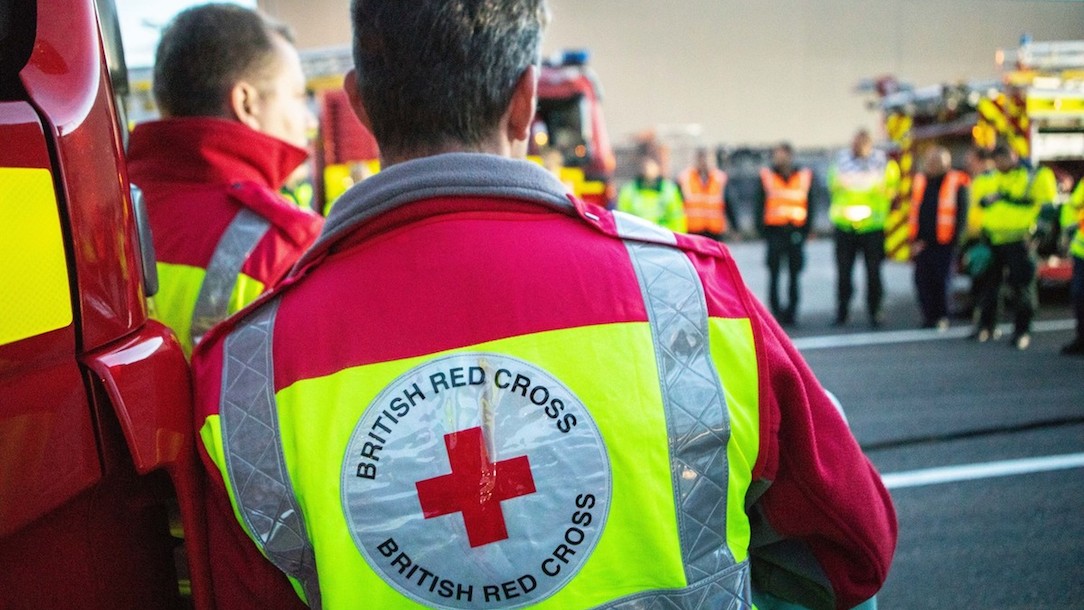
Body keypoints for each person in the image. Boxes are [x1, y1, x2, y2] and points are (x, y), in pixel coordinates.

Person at [191, 1, 896, 608]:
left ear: (362, 105)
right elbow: (852, 552)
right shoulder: (691, 295)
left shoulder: (246, 366)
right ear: (527, 98)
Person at [126, 3, 323, 355]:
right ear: (246, 103)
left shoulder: (95, 218)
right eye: (297, 96)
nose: (310, 121)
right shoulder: (287, 247)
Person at [974, 144, 1057, 349]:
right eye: (998, 159)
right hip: (993, 240)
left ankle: (1022, 331)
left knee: (1023, 289)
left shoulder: (1034, 176)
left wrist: (1038, 236)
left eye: (1005, 157)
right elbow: (979, 205)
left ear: (1015, 156)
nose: (1002, 163)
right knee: (989, 287)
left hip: (1021, 240)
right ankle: (987, 326)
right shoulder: (988, 178)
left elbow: (1048, 209)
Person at [828, 129, 900, 328]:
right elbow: (832, 185)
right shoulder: (841, 162)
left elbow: (892, 190)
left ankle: (875, 311)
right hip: (845, 226)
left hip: (872, 227)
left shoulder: (883, 163)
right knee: (844, 275)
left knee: (874, 274)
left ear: (869, 144)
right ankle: (842, 312)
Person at [754, 142, 821, 326]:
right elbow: (759, 204)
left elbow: (810, 204)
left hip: (795, 232)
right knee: (774, 274)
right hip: (775, 232)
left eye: (781, 154)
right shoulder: (767, 176)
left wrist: (807, 230)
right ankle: (775, 312)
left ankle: (792, 312)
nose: (778, 158)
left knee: (794, 274)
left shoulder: (803, 176)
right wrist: (762, 231)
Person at [909, 147, 969, 330]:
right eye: (930, 162)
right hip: (923, 243)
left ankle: (942, 316)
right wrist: (914, 240)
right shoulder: (920, 181)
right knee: (922, 281)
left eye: (937, 162)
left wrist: (957, 242)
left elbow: (961, 214)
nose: (932, 166)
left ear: (946, 164)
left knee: (942, 282)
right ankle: (929, 316)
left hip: (945, 243)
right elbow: (915, 211)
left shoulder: (957, 181)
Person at [617, 151, 687, 232]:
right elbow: (622, 219)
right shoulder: (628, 190)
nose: (647, 168)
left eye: (651, 164)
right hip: (636, 239)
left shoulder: (669, 190)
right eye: (645, 164)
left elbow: (677, 219)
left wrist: (678, 240)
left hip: (663, 239)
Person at [678, 147, 734, 240]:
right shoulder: (685, 178)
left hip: (714, 229)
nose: (704, 162)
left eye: (707, 159)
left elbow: (729, 203)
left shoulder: (719, 178)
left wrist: (734, 225)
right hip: (693, 229)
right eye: (701, 158)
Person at [1061, 177, 1084, 355]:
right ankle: (1081, 339)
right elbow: (1071, 206)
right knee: (1078, 297)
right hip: (1081, 252)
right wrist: (1068, 227)